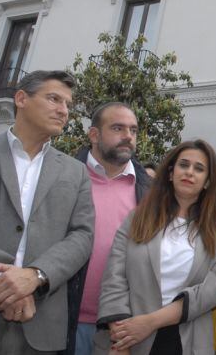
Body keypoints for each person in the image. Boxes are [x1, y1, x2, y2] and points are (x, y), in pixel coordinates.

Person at [94, 139, 216, 355]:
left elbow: (214, 290)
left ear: (207, 181)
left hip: (187, 340)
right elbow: (114, 277)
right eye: (183, 165)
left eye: (199, 168)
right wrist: (121, 338)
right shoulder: (137, 219)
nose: (189, 172)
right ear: (170, 173)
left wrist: (150, 322)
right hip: (129, 337)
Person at [0, 70, 95, 354]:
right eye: (54, 99)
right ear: (22, 98)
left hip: (42, 321)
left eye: (68, 105)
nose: (64, 111)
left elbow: (83, 236)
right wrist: (4, 281)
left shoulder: (75, 172)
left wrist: (35, 276)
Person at [65, 102, 153, 355]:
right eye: (118, 128)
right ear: (94, 134)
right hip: (63, 318)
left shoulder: (149, 191)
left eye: (133, 130)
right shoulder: (65, 176)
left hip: (121, 326)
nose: (128, 136)